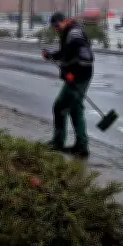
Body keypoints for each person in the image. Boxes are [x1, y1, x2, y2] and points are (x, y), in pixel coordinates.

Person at [42, 12, 94, 157]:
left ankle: (58, 142)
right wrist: (52, 55)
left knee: (59, 107)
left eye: (57, 25)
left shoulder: (74, 33)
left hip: (78, 78)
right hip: (80, 76)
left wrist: (73, 73)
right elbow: (66, 52)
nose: (56, 28)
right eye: (54, 26)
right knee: (75, 108)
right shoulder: (69, 32)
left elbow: (83, 53)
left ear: (65, 21)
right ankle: (81, 146)